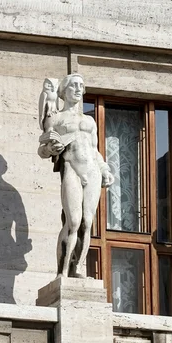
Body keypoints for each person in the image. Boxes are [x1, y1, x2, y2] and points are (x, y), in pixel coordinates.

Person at [38, 74, 114, 278]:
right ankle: (62, 271)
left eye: (81, 86)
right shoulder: (56, 117)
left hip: (92, 170)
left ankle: (78, 267)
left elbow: (94, 149)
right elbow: (43, 149)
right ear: (63, 91)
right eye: (73, 86)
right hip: (71, 168)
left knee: (88, 222)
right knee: (73, 221)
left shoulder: (89, 120)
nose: (79, 89)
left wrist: (105, 168)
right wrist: (52, 148)